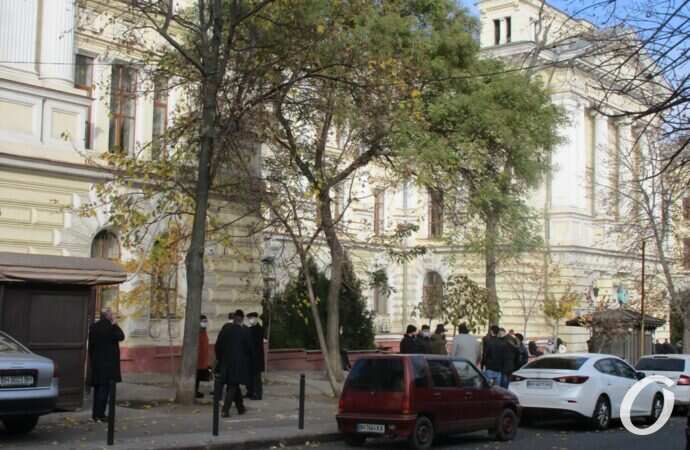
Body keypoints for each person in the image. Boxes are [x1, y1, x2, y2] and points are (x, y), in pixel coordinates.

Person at [88, 308, 125, 422]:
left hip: (97, 364)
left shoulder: (93, 327)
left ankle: (95, 415)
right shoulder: (111, 327)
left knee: (97, 390)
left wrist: (92, 361)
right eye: (111, 314)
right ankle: (101, 415)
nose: (113, 315)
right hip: (109, 366)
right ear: (107, 316)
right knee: (104, 391)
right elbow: (121, 336)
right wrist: (115, 325)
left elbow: (91, 346)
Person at [215, 309, 251, 417]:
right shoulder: (244, 332)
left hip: (225, 363)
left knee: (234, 385)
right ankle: (225, 410)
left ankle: (241, 408)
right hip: (237, 364)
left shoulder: (225, 330)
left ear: (234, 318)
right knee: (233, 385)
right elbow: (248, 349)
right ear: (242, 319)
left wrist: (220, 359)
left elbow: (217, 346)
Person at [245, 312, 265, 400]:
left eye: (252, 318)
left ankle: (258, 394)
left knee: (256, 377)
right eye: (249, 318)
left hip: (257, 357)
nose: (251, 320)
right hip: (249, 357)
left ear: (256, 318)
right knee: (249, 376)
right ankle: (250, 392)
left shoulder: (259, 329)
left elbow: (256, 344)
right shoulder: (249, 329)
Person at [196, 315, 211, 399]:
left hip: (203, 358)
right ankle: (195, 392)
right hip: (198, 359)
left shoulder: (204, 331)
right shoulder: (198, 332)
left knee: (200, 376)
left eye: (206, 321)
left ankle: (197, 391)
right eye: (203, 321)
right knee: (197, 376)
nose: (205, 323)